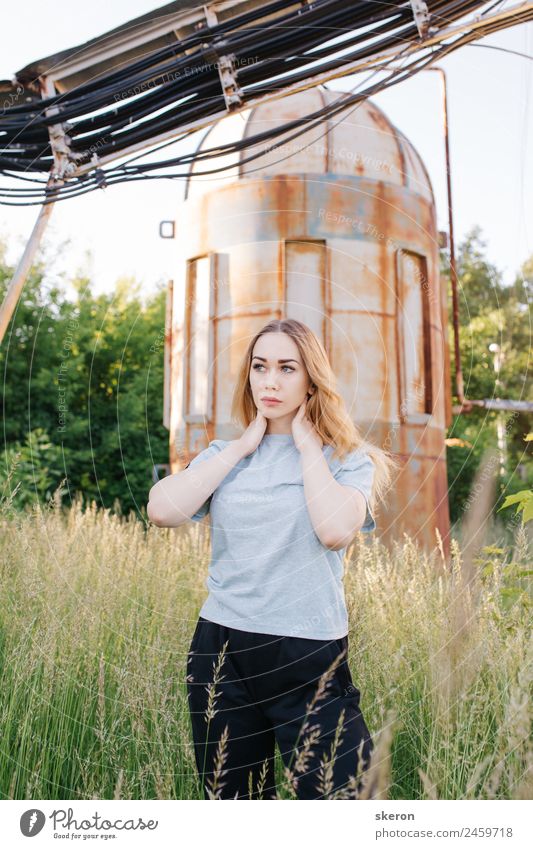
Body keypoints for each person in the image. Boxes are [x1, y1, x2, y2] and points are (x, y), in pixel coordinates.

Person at [147, 319, 397, 799]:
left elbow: (333, 531)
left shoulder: (346, 459)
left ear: (311, 378)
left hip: (306, 653)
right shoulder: (225, 454)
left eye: (287, 368)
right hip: (222, 650)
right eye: (260, 367)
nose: (270, 381)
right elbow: (161, 510)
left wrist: (306, 447)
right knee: (236, 805)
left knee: (344, 800)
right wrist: (243, 446)